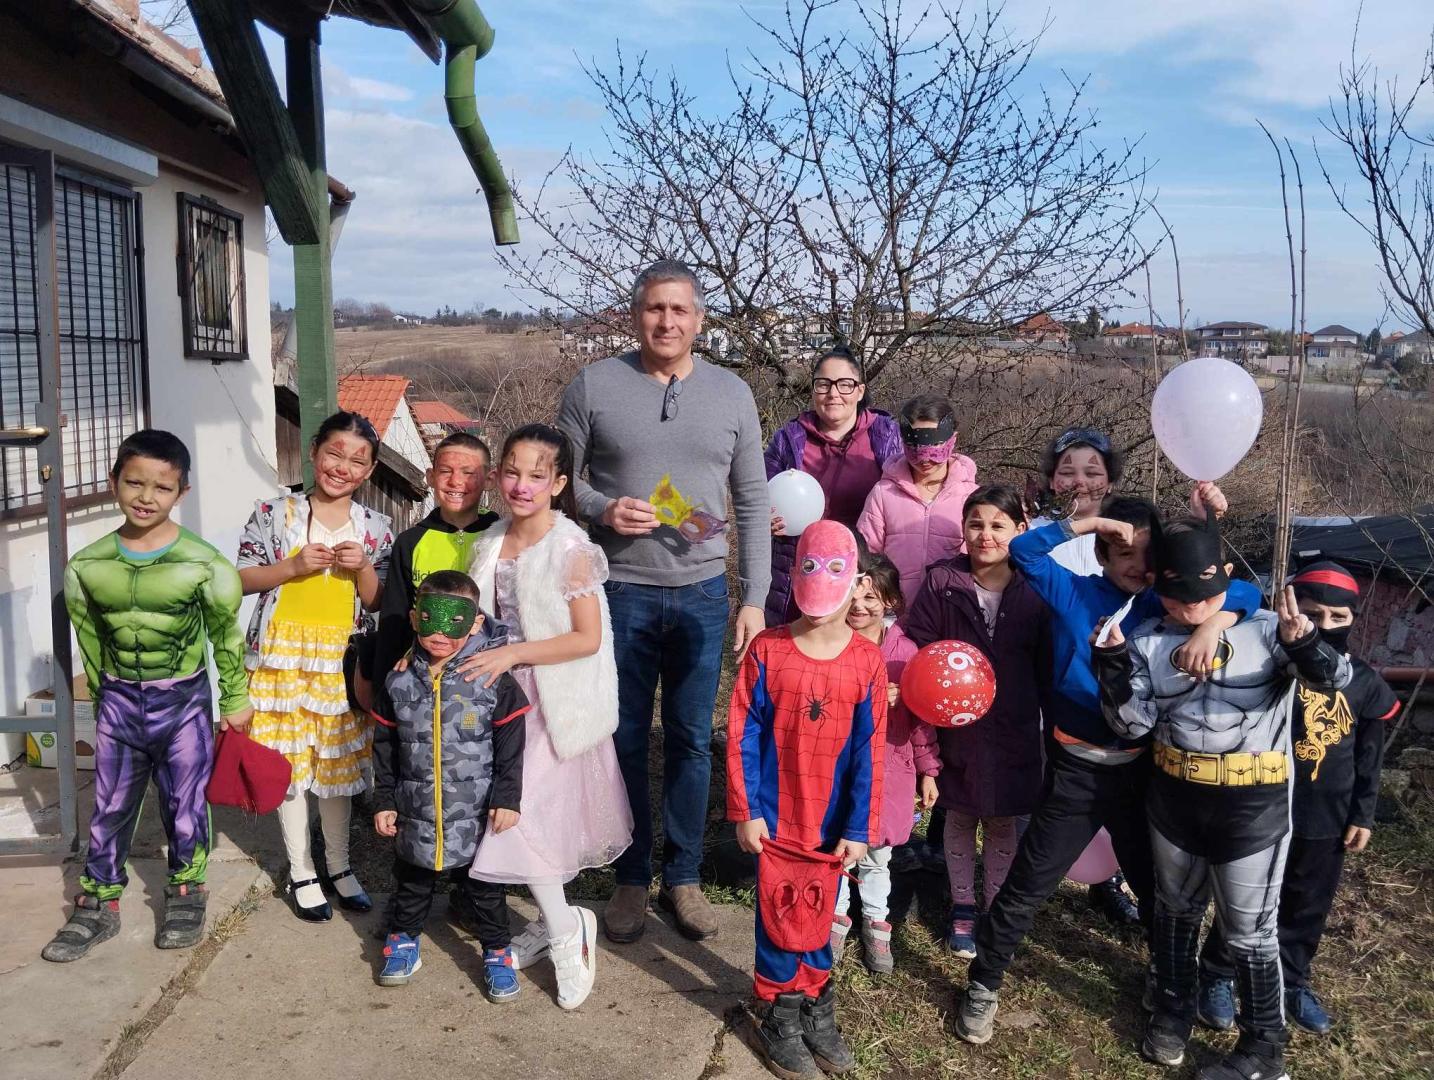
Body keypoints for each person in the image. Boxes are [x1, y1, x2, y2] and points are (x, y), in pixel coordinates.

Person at [954, 489, 1261, 1046]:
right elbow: (1024, 552)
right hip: (1075, 772)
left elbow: (1245, 589)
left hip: (1143, 774)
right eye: (1124, 553)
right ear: (1102, 557)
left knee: (1160, 891)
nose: (1138, 565)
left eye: (1148, 555)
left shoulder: (1161, 603)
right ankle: (984, 983)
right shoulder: (1072, 591)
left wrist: (1215, 626)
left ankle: (1167, 979)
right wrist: (1093, 521)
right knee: (1027, 885)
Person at [557, 260, 770, 944]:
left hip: (705, 592)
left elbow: (752, 499)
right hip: (619, 591)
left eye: (680, 311)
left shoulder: (734, 394)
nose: (667, 322)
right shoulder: (594, 385)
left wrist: (755, 598)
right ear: (635, 314)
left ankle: (683, 878)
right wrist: (601, 508)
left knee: (688, 741)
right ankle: (628, 876)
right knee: (619, 740)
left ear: (699, 319)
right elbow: (560, 480)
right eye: (655, 309)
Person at [1095, 513, 1350, 1080]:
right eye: (1178, 596)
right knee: (1175, 911)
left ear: (1226, 578)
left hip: (1251, 804)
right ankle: (1171, 1011)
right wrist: (1110, 665)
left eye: (1205, 596)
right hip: (1174, 798)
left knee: (1250, 930)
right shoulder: (1147, 641)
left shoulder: (1267, 629)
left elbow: (1336, 678)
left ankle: (1264, 1047)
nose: (1191, 609)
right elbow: (1132, 725)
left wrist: (1305, 642)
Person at [43, 431, 251, 962]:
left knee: (186, 804)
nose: (145, 496)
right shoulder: (87, 567)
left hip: (182, 703)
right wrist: (102, 694)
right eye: (134, 482)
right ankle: (98, 902)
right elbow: (89, 638)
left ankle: (187, 889)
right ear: (114, 481)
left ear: (181, 492)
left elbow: (225, 637)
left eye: (162, 487)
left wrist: (233, 700)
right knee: (109, 806)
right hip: (117, 700)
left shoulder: (205, 564)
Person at [464, 423, 633, 1010]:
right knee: (522, 819)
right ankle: (555, 917)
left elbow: (586, 639)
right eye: (511, 471)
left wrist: (513, 653)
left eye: (537, 475)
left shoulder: (571, 550)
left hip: (551, 704)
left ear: (559, 483)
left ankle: (567, 934)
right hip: (498, 704)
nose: (521, 484)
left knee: (523, 818)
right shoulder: (488, 542)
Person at [1196, 561, 1398, 1037]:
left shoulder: (1364, 681)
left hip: (1325, 816)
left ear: (1353, 619)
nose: (1322, 627)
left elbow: (1369, 755)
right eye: (1312, 614)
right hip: (1262, 808)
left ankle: (1292, 981)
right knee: (1244, 900)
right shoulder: (1265, 667)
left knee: (1308, 903)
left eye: (1337, 618)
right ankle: (1217, 976)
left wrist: (1362, 813)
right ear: (1290, 609)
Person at [728, 521, 888, 1078]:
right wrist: (747, 810)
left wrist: (859, 826)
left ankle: (817, 1005)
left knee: (820, 914)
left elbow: (870, 752)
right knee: (777, 915)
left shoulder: (867, 662)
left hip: (831, 823)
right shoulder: (768, 650)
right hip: (776, 819)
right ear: (793, 577)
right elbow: (742, 731)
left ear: (858, 582)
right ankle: (778, 1012)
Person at [236, 411, 394, 921]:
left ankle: (341, 867)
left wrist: (364, 567)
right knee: (289, 770)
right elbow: (239, 579)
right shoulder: (272, 512)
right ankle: (302, 869)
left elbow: (377, 603)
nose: (342, 467)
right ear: (314, 453)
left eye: (356, 460)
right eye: (334, 453)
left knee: (336, 767)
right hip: (281, 659)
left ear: (368, 471)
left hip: (338, 664)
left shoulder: (375, 528)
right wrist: (292, 567)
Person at [902, 485, 1049, 958]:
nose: (985, 535)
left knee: (1006, 820)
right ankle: (963, 906)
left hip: (1016, 725)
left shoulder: (1038, 584)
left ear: (1020, 531)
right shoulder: (943, 582)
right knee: (960, 814)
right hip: (957, 727)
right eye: (975, 524)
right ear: (963, 530)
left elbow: (1052, 656)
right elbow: (917, 643)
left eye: (998, 525)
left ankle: (995, 905)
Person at [369, 571, 529, 995]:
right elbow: (384, 744)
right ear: (415, 617)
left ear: (475, 622)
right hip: (415, 808)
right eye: (430, 619)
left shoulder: (492, 677)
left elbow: (512, 742)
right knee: (412, 882)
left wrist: (508, 797)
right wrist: (384, 798)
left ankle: (497, 950)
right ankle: (404, 941)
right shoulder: (398, 679)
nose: (440, 632)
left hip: (476, 812)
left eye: (453, 620)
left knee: (485, 889)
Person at [1027, 425, 1136, 921]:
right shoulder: (1035, 535)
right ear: (1052, 481)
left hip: (1110, 687)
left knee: (1109, 790)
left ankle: (1107, 879)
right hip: (1042, 677)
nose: (1080, 481)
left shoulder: (1131, 542)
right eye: (1067, 470)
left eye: (1093, 471)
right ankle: (1037, 874)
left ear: (1110, 481)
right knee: (1049, 781)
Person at [829, 548, 939, 974]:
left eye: (871, 599)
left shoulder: (905, 653)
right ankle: (836, 915)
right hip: (837, 766)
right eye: (852, 599)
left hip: (889, 768)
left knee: (878, 852)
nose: (859, 608)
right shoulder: (830, 643)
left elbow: (922, 718)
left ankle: (876, 919)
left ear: (890, 602)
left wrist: (929, 769)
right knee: (838, 844)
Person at [763, 348, 902, 625]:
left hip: (862, 576)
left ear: (860, 390)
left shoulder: (887, 436)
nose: (833, 393)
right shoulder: (788, 440)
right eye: (823, 384)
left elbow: (910, 493)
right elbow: (757, 496)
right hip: (802, 569)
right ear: (813, 390)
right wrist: (764, 519)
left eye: (845, 384)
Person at [370, 431, 499, 694]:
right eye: (445, 471)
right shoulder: (410, 542)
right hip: (427, 678)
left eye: (468, 472)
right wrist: (383, 687)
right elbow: (394, 619)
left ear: (489, 479)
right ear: (430, 476)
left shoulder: (503, 534)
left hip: (490, 673)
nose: (455, 481)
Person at [857, 394, 979, 605]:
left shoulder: (971, 497)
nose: (924, 459)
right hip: (895, 611)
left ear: (952, 440)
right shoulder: (883, 493)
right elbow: (866, 555)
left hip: (952, 610)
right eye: (915, 449)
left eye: (934, 448)